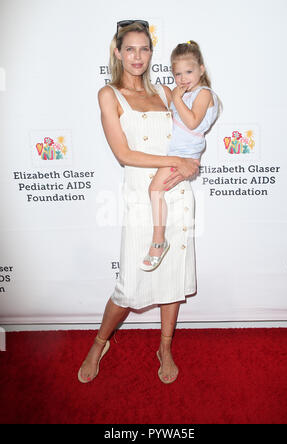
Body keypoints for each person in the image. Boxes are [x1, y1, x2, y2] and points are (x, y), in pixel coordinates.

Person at [78, 21, 200, 385]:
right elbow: (124, 153)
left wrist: (188, 162)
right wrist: (175, 162)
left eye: (144, 49)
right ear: (117, 52)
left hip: (175, 193)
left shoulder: (166, 92)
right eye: (130, 49)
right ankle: (100, 342)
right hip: (139, 198)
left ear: (151, 53)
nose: (137, 56)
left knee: (173, 278)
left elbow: (191, 134)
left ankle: (164, 347)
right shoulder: (108, 95)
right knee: (129, 285)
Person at [141, 40, 220, 271]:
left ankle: (158, 241)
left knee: (155, 190)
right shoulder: (183, 93)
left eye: (189, 71)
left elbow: (193, 122)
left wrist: (176, 98)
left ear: (201, 69)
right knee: (157, 192)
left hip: (182, 154)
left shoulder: (204, 93)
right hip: (173, 153)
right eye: (177, 74)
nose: (183, 78)